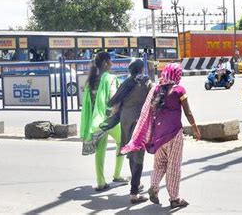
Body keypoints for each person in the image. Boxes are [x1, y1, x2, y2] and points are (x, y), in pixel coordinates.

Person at [120, 63, 201, 209]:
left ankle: (154, 187)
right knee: (173, 166)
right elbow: (188, 112)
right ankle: (174, 198)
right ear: (176, 75)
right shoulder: (179, 90)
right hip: (174, 134)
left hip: (158, 135)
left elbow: (149, 112)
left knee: (159, 165)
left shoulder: (156, 89)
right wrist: (195, 128)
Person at [79, 52, 128, 191]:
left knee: (100, 151)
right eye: (110, 61)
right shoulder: (110, 78)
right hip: (108, 119)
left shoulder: (91, 81)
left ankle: (101, 182)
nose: (112, 64)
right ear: (106, 63)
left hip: (95, 122)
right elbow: (113, 97)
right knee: (122, 142)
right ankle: (117, 175)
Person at [107, 59, 152, 204]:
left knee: (130, 153)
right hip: (139, 120)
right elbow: (154, 100)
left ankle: (136, 184)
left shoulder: (126, 83)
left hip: (125, 120)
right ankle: (134, 193)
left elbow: (116, 103)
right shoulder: (146, 82)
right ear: (141, 69)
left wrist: (111, 118)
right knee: (138, 154)